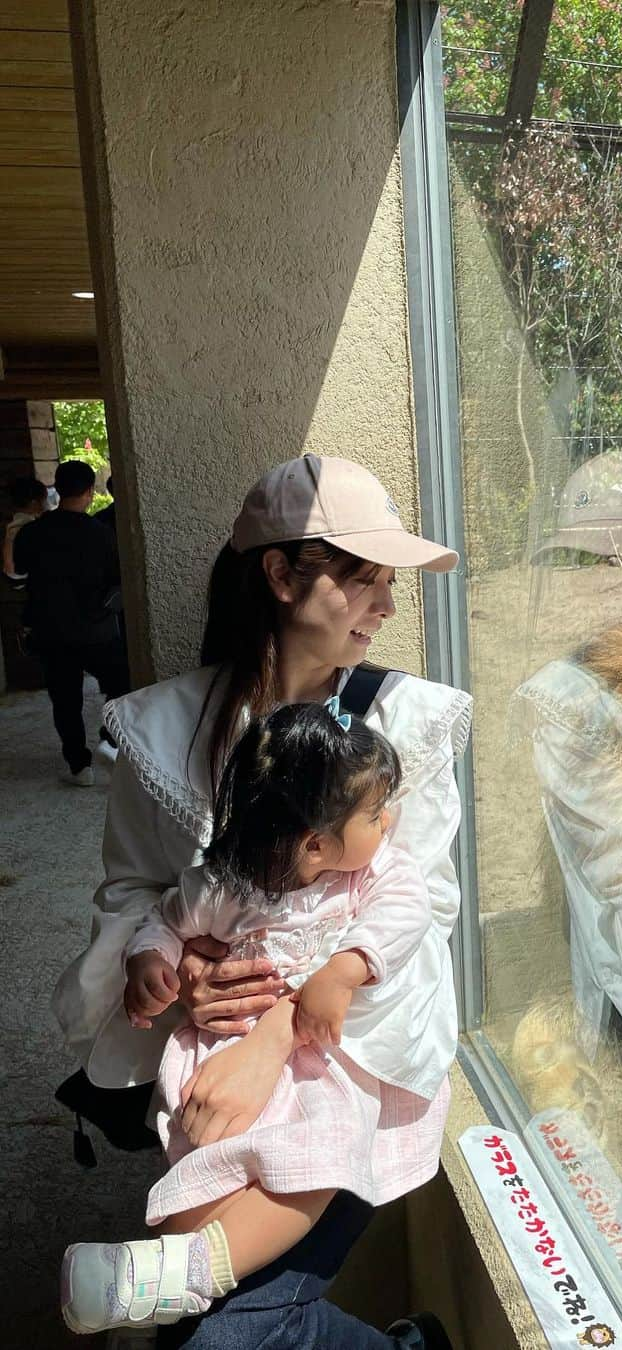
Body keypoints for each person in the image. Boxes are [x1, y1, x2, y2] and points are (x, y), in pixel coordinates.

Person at [52, 453, 468, 1350]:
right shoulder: (162, 731)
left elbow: (421, 910)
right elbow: (135, 893)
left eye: (392, 587)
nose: (388, 610)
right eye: (368, 583)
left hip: (342, 1076)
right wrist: (174, 968)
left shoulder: (407, 726)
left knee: (217, 1338)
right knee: (200, 1314)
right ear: (280, 575)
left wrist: (277, 1033)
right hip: (208, 1077)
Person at [62, 701, 448, 1336]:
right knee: (198, 1177)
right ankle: (176, 1267)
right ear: (315, 844)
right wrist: (152, 964)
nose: (390, 822)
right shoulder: (222, 888)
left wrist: (345, 968)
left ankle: (192, 1275)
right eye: (376, 814)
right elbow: (162, 919)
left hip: (316, 1072)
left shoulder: (370, 875)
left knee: (318, 1154)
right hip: (222, 1066)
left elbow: (410, 909)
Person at [13, 458, 130, 785]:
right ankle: (110, 739)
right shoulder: (101, 534)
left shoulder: (32, 534)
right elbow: (117, 580)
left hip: (51, 631)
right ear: (90, 491)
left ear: (57, 488)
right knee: (123, 685)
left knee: (65, 700)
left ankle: (79, 766)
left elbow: (18, 577)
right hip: (98, 629)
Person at [2, 474, 48, 584]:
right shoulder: (28, 527)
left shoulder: (13, 524)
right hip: (20, 577)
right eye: (44, 500)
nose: (46, 505)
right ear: (34, 503)